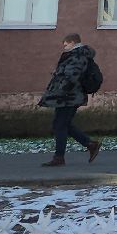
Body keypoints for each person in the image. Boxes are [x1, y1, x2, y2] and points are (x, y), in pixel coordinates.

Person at [40, 33, 102, 166]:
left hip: (70, 96)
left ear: (73, 42)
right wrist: (58, 75)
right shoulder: (75, 55)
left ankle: (59, 157)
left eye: (66, 43)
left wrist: (61, 86)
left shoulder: (78, 55)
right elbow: (69, 73)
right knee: (62, 124)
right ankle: (90, 144)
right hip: (67, 96)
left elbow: (73, 76)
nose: (64, 45)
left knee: (60, 125)